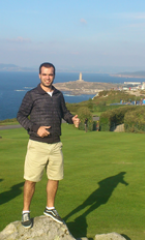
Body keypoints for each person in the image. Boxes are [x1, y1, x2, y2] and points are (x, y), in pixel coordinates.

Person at [17, 62, 80, 229]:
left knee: (55, 177)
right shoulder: (32, 95)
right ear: (39, 75)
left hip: (55, 145)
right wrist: (36, 128)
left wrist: (71, 118)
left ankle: (50, 208)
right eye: (44, 74)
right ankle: (25, 212)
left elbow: (64, 112)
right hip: (37, 145)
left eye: (50, 74)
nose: (47, 77)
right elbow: (21, 116)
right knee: (31, 180)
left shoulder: (58, 94)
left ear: (54, 75)